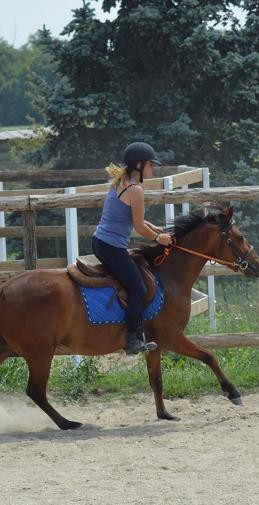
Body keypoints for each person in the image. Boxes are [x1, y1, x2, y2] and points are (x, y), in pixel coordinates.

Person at [92, 142, 173, 354]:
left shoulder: (121, 182)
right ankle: (132, 340)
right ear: (139, 165)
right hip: (111, 246)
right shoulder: (135, 190)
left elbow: (134, 218)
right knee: (139, 289)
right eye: (150, 164)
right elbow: (138, 227)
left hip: (101, 242)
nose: (153, 168)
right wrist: (159, 238)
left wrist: (154, 228)